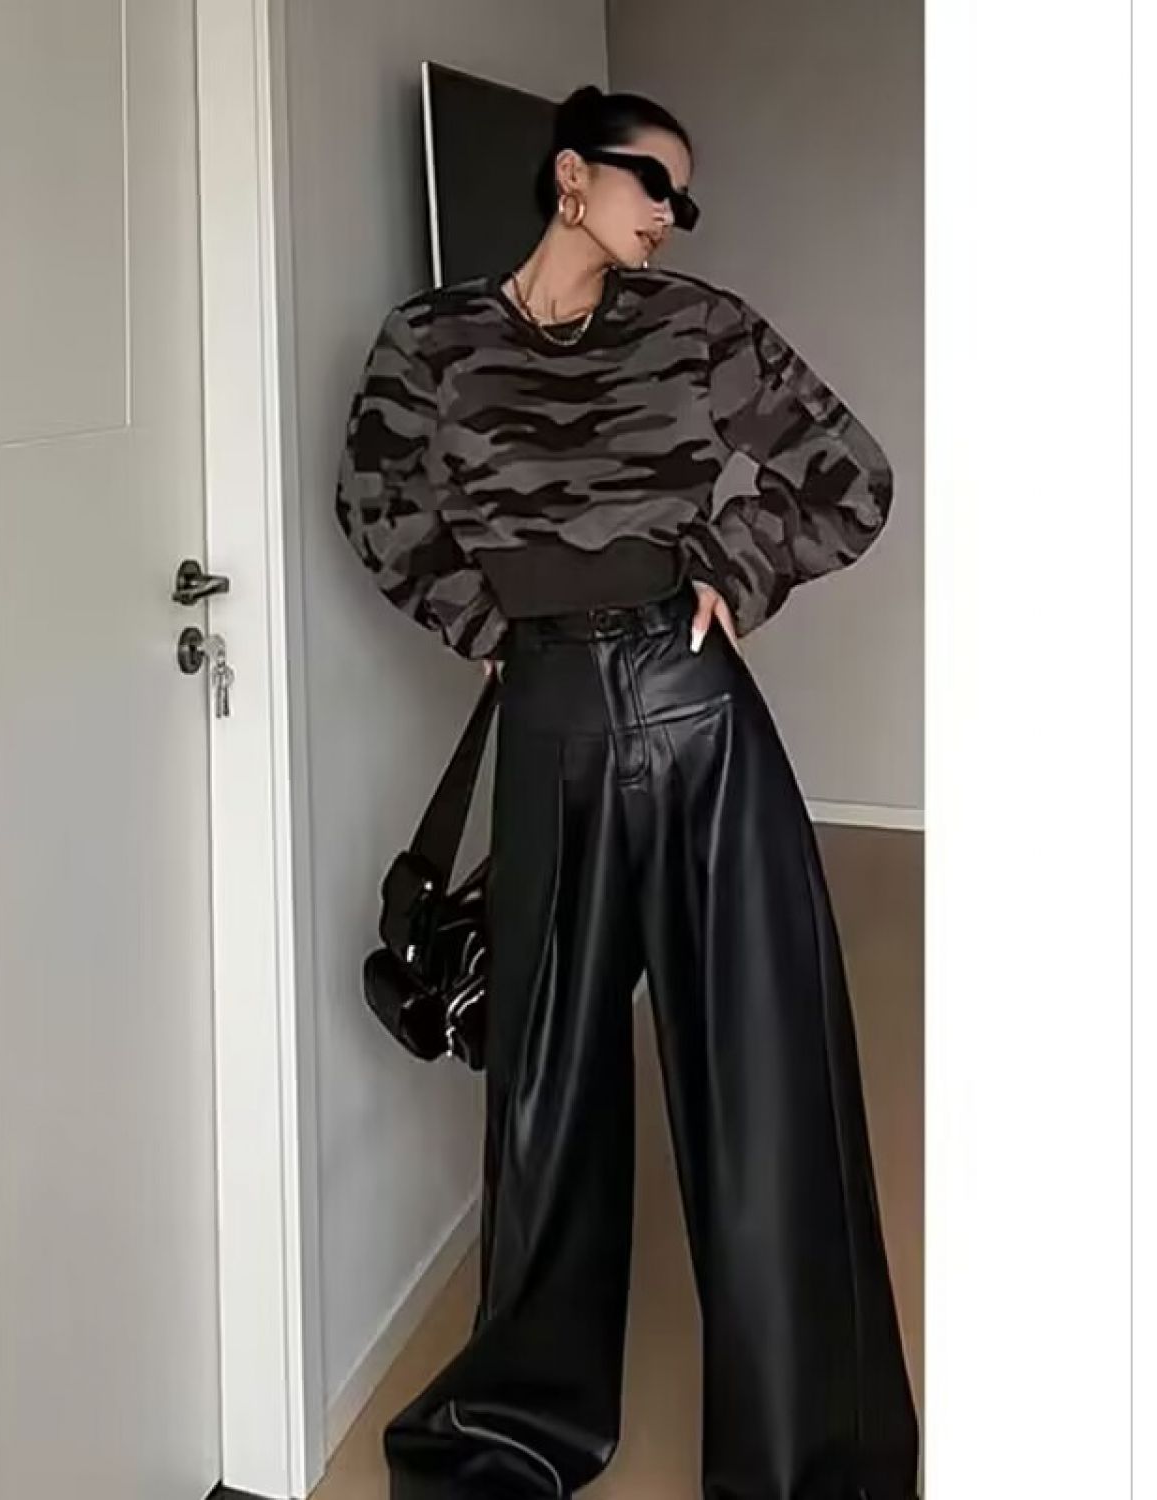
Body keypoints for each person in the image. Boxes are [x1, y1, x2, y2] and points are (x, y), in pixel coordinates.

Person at [334, 82, 920, 1500]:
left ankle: (809, 1459)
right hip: (548, 719)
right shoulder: (433, 341)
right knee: (547, 1086)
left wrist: (737, 565)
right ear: (571, 176)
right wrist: (485, 625)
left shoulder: (699, 326)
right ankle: (519, 1428)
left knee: (763, 1080)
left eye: (682, 197)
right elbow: (375, 502)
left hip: (692, 708)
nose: (673, 214)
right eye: (656, 183)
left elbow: (851, 477)